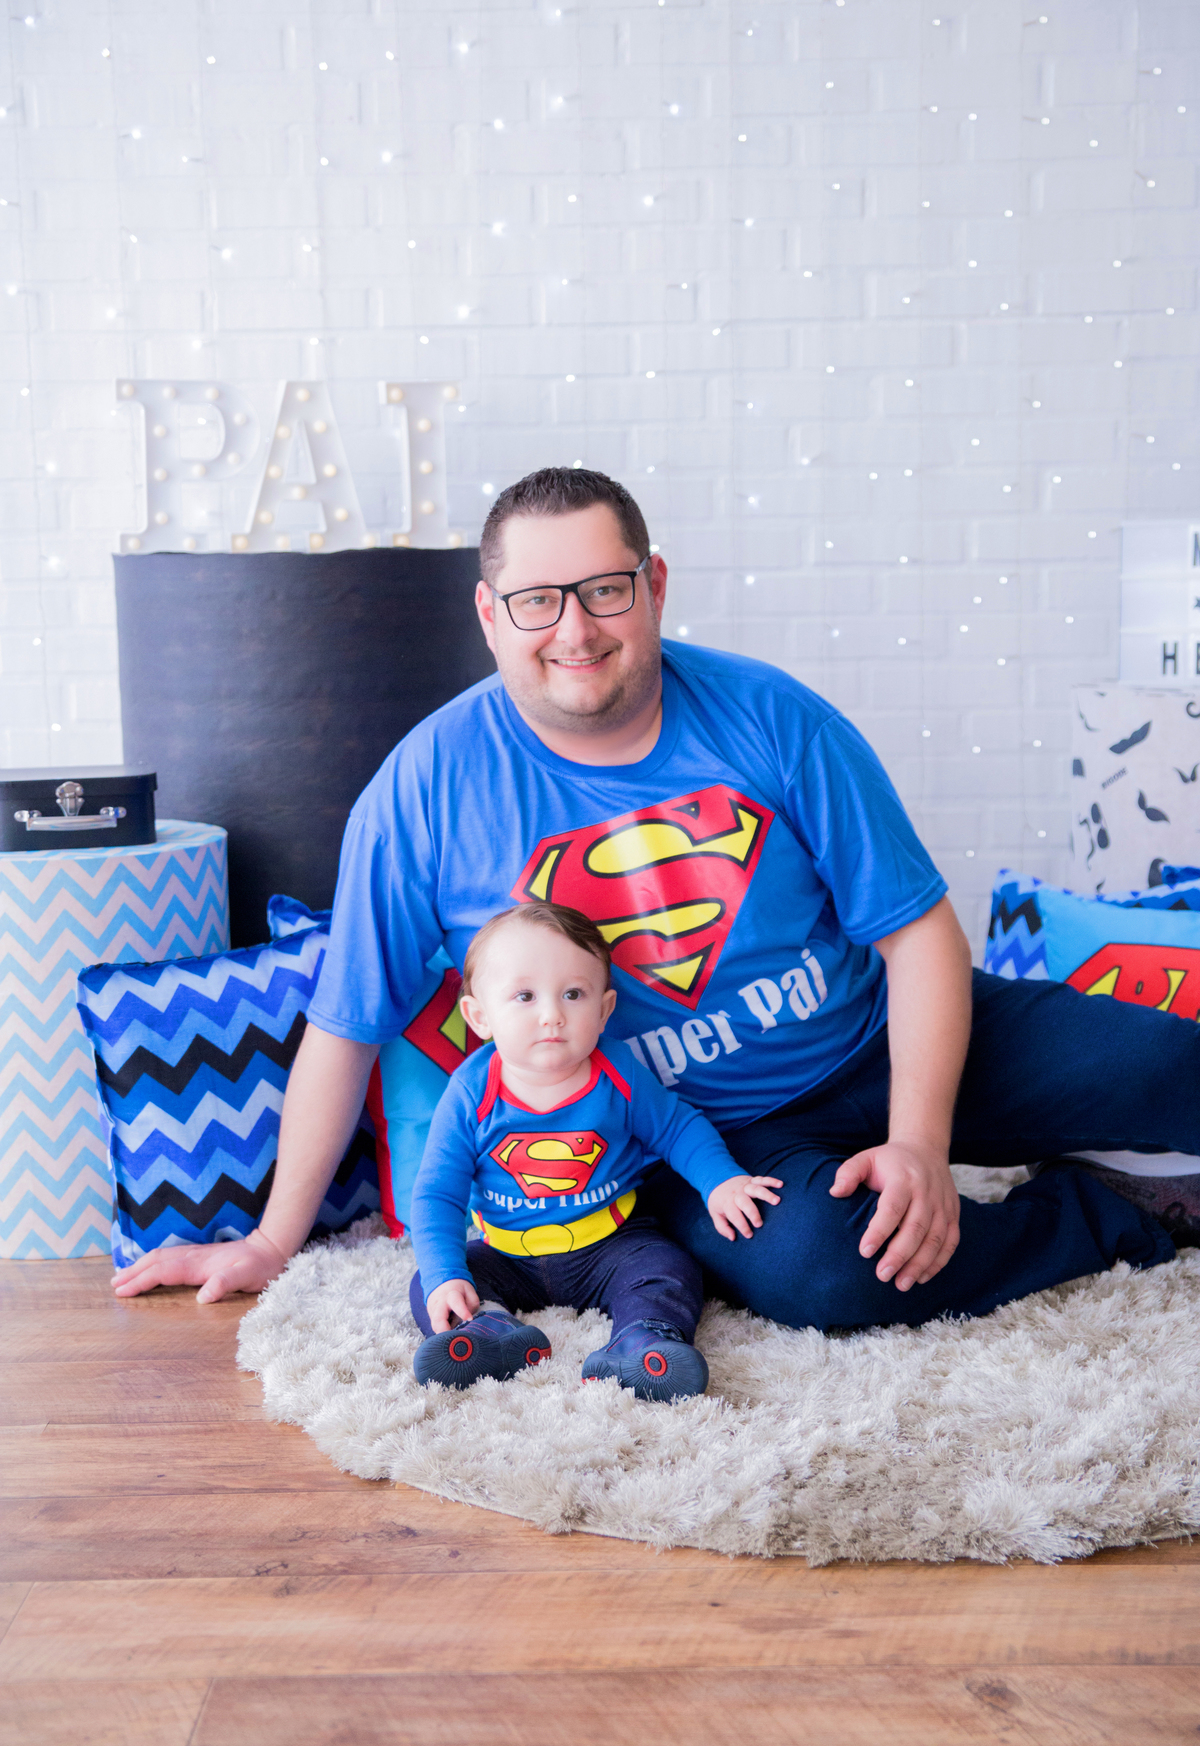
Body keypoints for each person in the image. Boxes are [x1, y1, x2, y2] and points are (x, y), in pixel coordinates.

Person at [114, 466, 1200, 1327]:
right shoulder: (423, 792)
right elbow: (346, 1026)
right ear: (490, 615)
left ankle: (1000, 1151)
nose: (575, 630)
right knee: (835, 1279)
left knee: (1172, 1063)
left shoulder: (775, 718)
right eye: (538, 601)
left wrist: (918, 1137)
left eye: (604, 589)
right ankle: (1113, 1209)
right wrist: (268, 1241)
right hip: (700, 1138)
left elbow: (917, 937)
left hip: (882, 1038)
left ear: (655, 586)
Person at [407, 899, 780, 1399]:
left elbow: (677, 1128)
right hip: (507, 1252)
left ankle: (642, 1342)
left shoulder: (617, 1074)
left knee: (668, 1270)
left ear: (604, 1009)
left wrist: (721, 1180)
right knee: (432, 1282)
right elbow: (437, 1195)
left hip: (611, 1244)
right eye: (524, 996)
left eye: (573, 994)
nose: (552, 1015)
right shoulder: (472, 1093)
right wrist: (445, 1277)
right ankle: (486, 1330)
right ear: (479, 1017)